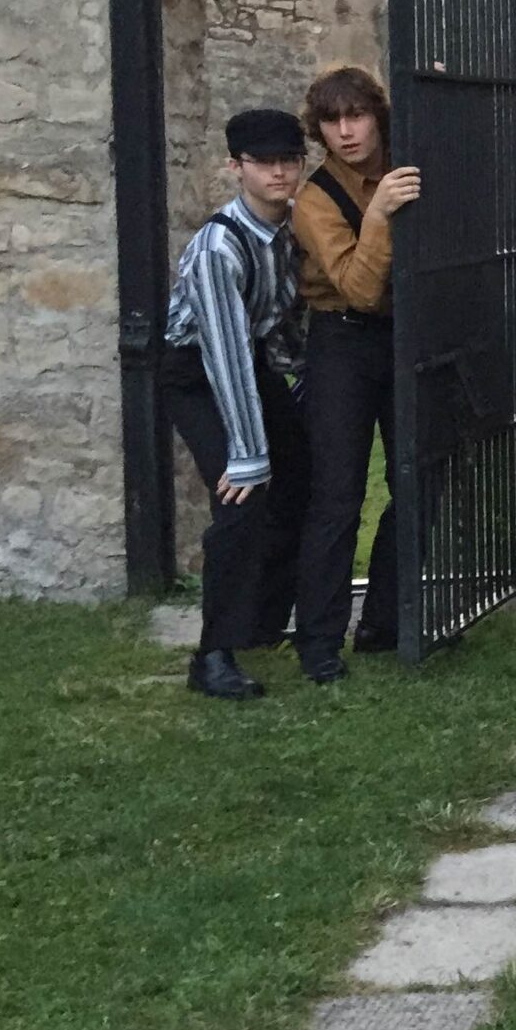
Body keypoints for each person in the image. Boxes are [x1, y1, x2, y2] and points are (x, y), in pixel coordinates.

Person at [164, 107, 311, 700]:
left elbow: (275, 321)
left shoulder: (285, 231)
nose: (279, 172)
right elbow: (222, 354)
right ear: (236, 167)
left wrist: (295, 372)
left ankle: (259, 624)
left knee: (298, 478)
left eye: (289, 160)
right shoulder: (217, 250)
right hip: (195, 372)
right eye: (264, 162)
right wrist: (247, 452)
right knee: (241, 497)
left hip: (247, 361)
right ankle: (213, 654)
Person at [287, 65, 418, 684]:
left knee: (417, 478)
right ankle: (318, 640)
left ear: (376, 117)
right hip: (340, 338)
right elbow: (361, 290)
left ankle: (385, 620)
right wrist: (379, 216)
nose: (346, 132)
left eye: (356, 116)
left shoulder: (405, 162)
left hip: (406, 334)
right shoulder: (314, 199)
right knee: (337, 496)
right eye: (332, 122)